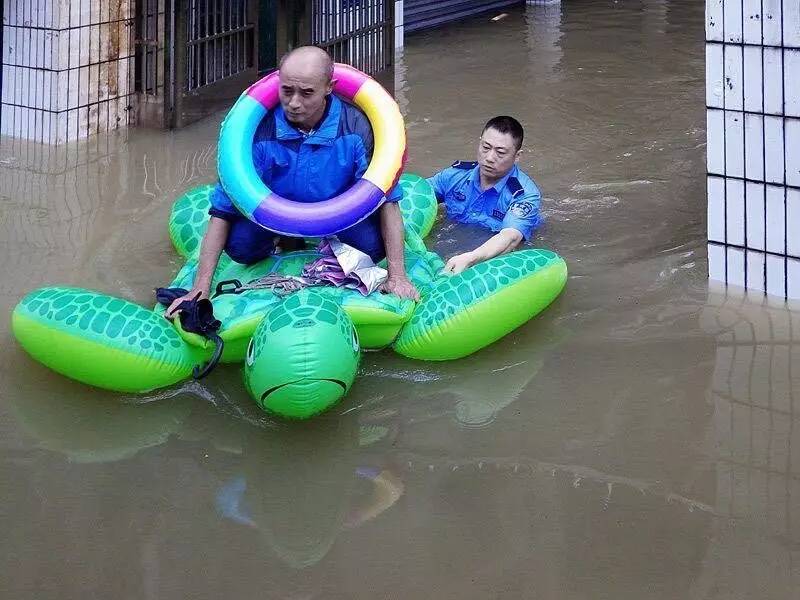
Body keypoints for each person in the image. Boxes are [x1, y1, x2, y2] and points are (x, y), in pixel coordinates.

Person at [167, 46, 418, 317]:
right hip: (273, 214)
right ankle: (283, 238)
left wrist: (398, 276)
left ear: (329, 87)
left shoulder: (357, 128)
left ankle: (322, 237)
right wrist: (201, 286)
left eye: (307, 93)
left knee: (371, 247)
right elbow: (222, 211)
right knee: (241, 247)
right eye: (287, 90)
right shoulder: (255, 131)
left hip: (341, 215)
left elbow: (387, 202)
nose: (294, 102)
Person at [427, 116, 542, 275]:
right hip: (453, 240)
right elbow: (417, 193)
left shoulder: (524, 195)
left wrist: (472, 258)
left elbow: (511, 237)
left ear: (517, 156)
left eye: (500, 152)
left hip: (490, 257)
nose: (489, 158)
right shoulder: (454, 176)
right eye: (485, 147)